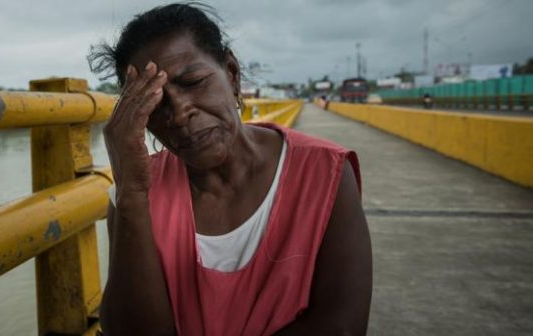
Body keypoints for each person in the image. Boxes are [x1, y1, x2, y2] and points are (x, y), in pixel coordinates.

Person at [88, 3, 372, 335]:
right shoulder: (133, 195)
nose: (179, 114)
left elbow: (342, 326)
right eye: (154, 102)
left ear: (232, 73)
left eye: (193, 82)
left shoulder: (326, 175)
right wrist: (131, 192)